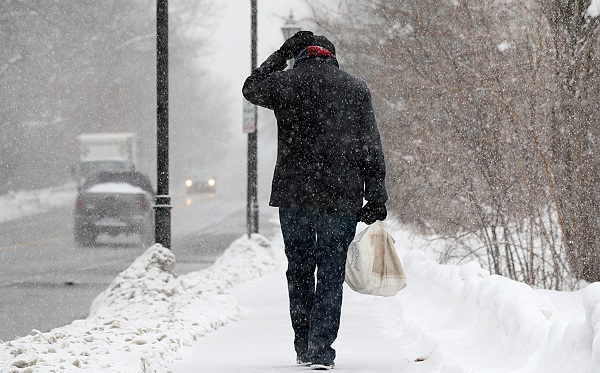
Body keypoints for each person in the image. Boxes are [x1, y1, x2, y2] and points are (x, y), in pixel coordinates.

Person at [242, 31, 388, 371]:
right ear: (332, 57)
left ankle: (303, 345)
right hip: (342, 193)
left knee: (300, 269)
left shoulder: (285, 84)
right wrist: (376, 195)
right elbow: (370, 144)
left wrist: (281, 54)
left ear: (301, 55)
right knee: (331, 270)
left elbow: (251, 88)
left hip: (295, 194)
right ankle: (322, 349)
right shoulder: (354, 88)